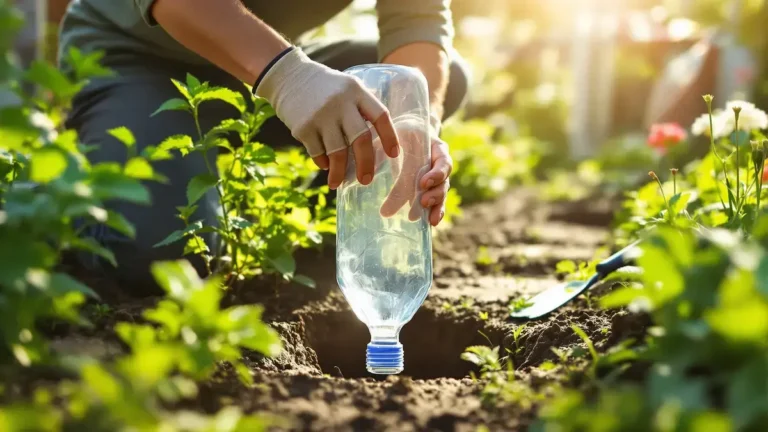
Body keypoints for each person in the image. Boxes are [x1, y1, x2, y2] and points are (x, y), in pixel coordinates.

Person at [56, 0, 469, 291]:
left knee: (414, 87)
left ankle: (323, 217)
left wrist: (416, 120)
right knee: (163, 263)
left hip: (257, 64)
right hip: (134, 57)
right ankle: (58, 192)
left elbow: (417, 18)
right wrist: (289, 79)